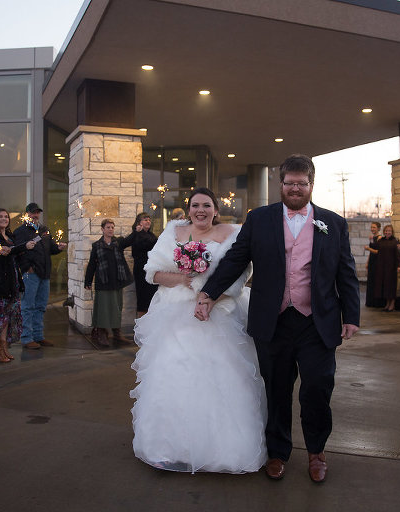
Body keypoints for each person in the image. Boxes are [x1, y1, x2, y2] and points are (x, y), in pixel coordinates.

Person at [195, 154, 360, 483]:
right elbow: (235, 259)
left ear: (311, 184)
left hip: (318, 322)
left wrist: (351, 315)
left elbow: (346, 273)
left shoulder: (333, 223)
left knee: (316, 388)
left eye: (302, 183)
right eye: (289, 183)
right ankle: (278, 452)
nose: (295, 188)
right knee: (277, 389)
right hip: (273, 320)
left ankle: (316, 451)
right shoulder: (259, 219)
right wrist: (209, 292)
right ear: (280, 184)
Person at [130, 187, 267, 474]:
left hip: (220, 312)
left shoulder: (233, 232)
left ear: (216, 209)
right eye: (195, 205)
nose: (200, 211)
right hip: (176, 316)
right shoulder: (173, 232)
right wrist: (186, 277)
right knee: (173, 374)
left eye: (206, 205)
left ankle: (223, 450)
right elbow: (152, 272)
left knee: (223, 376)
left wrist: (209, 293)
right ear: (188, 208)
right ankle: (170, 446)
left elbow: (243, 272)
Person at [0, 209, 35, 363]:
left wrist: (23, 249)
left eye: (6, 217)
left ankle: (4, 346)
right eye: (0, 217)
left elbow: (13, 253)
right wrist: (24, 246)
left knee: (7, 318)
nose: (4, 219)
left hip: (12, 282)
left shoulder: (10, 236)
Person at [13, 202, 67, 350]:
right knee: (28, 307)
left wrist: (58, 248)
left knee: (41, 307)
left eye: (37, 213)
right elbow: (16, 252)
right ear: (27, 214)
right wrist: (26, 267)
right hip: (31, 275)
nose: (35, 215)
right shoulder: (20, 231)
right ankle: (26, 338)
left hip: (45, 274)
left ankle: (38, 336)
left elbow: (50, 249)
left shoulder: (44, 230)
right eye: (32, 212)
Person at [84, 218, 134, 347]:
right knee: (103, 308)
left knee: (117, 307)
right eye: (108, 227)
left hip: (117, 281)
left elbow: (129, 240)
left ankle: (117, 333)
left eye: (112, 227)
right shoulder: (97, 245)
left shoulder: (118, 243)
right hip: (103, 281)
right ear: (102, 229)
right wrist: (88, 281)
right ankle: (102, 333)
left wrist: (136, 230)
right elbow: (91, 265)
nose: (111, 229)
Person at [124, 212, 158, 317]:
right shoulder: (136, 235)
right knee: (143, 298)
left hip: (152, 270)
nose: (148, 221)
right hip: (141, 270)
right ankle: (141, 326)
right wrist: (135, 232)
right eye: (145, 219)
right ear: (139, 223)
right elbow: (124, 244)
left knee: (152, 297)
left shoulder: (152, 235)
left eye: (149, 219)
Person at [370, 224, 400, 312]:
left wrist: (399, 266)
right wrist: (372, 240)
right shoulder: (381, 241)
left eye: (389, 231)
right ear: (384, 232)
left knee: (391, 285)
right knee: (385, 286)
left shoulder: (395, 241)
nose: (387, 232)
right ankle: (387, 303)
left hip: (392, 267)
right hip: (382, 266)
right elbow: (375, 249)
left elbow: (398, 255)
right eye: (386, 231)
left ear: (392, 232)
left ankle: (392, 303)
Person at [364, 221, 384, 308]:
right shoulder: (372, 238)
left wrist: (368, 248)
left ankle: (377, 302)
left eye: (374, 227)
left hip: (377, 261)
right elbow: (371, 252)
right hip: (372, 261)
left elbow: (378, 252)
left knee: (376, 281)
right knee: (371, 281)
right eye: (371, 227)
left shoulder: (380, 238)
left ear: (379, 228)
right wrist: (368, 262)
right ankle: (370, 301)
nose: (372, 229)